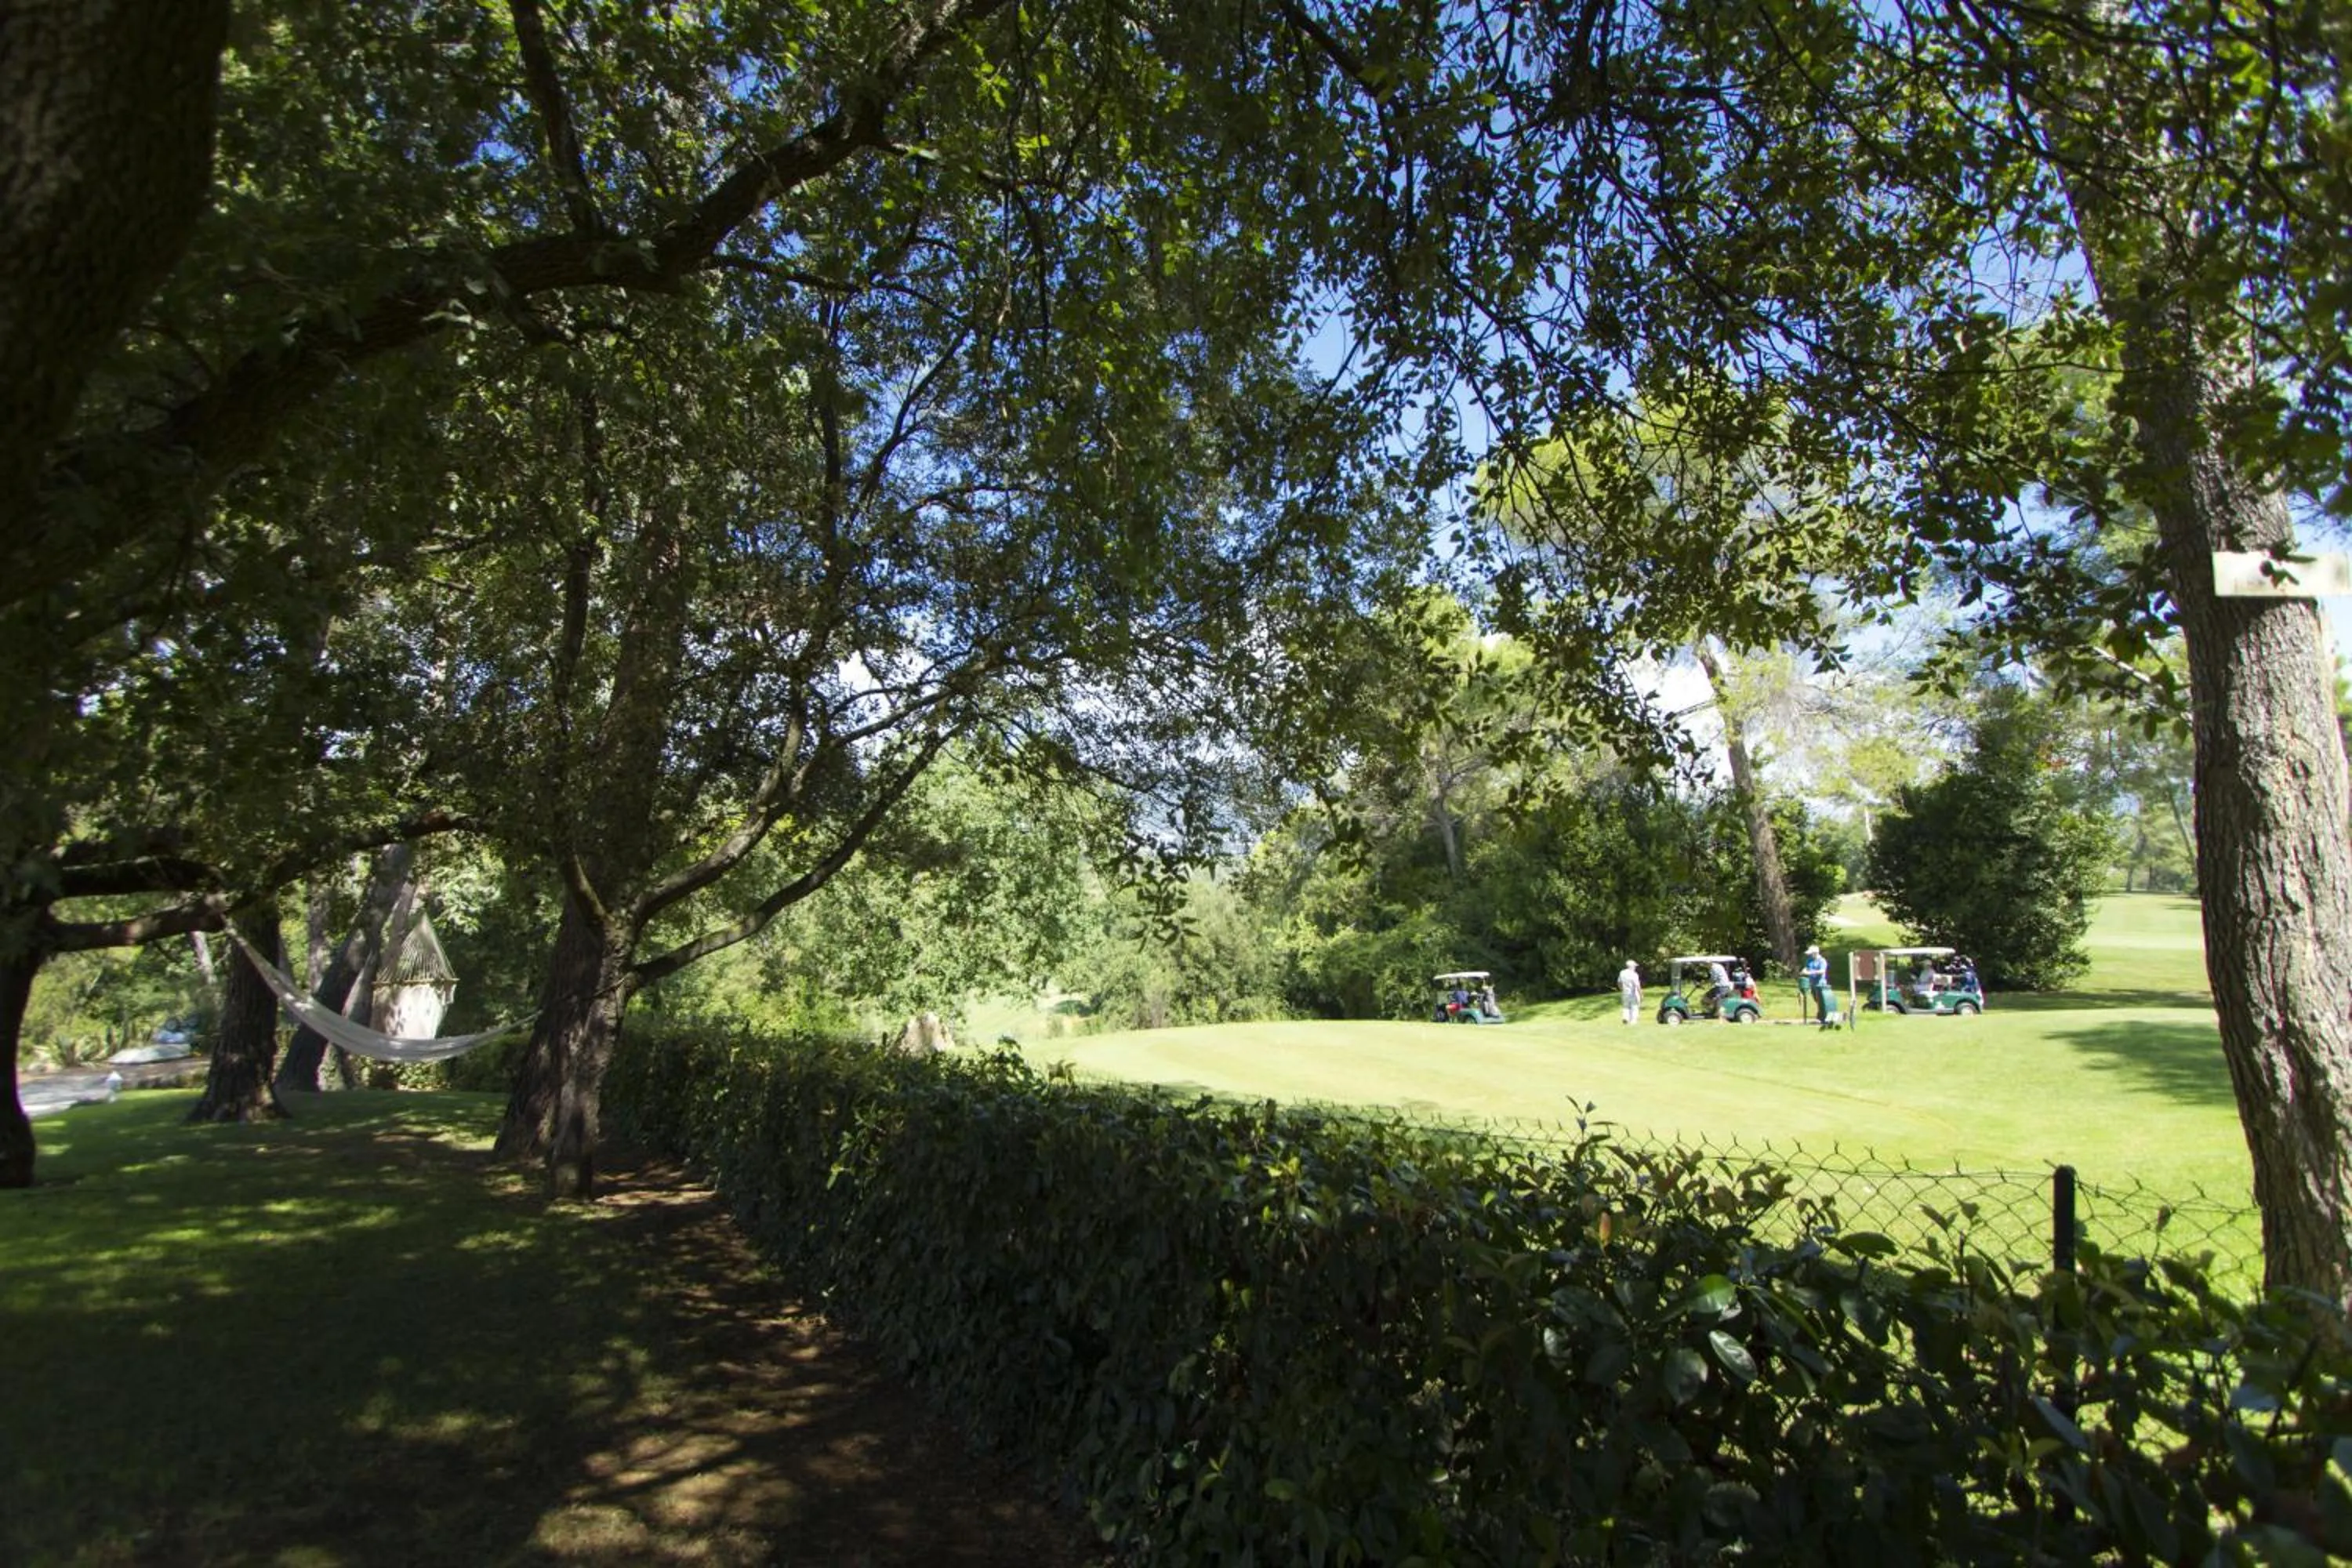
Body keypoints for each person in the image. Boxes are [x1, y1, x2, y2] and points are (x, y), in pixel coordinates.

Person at [1800, 944, 1831, 1025]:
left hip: (1821, 984)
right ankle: (1821, 1015)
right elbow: (1806, 967)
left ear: (1815, 953)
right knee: (1816, 1000)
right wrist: (1803, 971)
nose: (1810, 955)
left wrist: (1810, 972)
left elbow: (1822, 971)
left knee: (1822, 1001)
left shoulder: (1822, 961)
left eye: (1811, 953)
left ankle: (1824, 1016)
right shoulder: (1809, 960)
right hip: (1812, 983)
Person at [1617, 960, 1642, 1025]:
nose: (1635, 968)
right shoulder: (1634, 974)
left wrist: (1621, 989)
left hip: (1625, 992)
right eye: (1634, 966)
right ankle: (1633, 1021)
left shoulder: (1622, 972)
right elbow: (1637, 985)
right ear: (1631, 966)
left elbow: (1619, 982)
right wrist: (1641, 994)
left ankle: (1625, 1018)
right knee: (1635, 1007)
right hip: (1633, 993)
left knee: (1626, 1007)